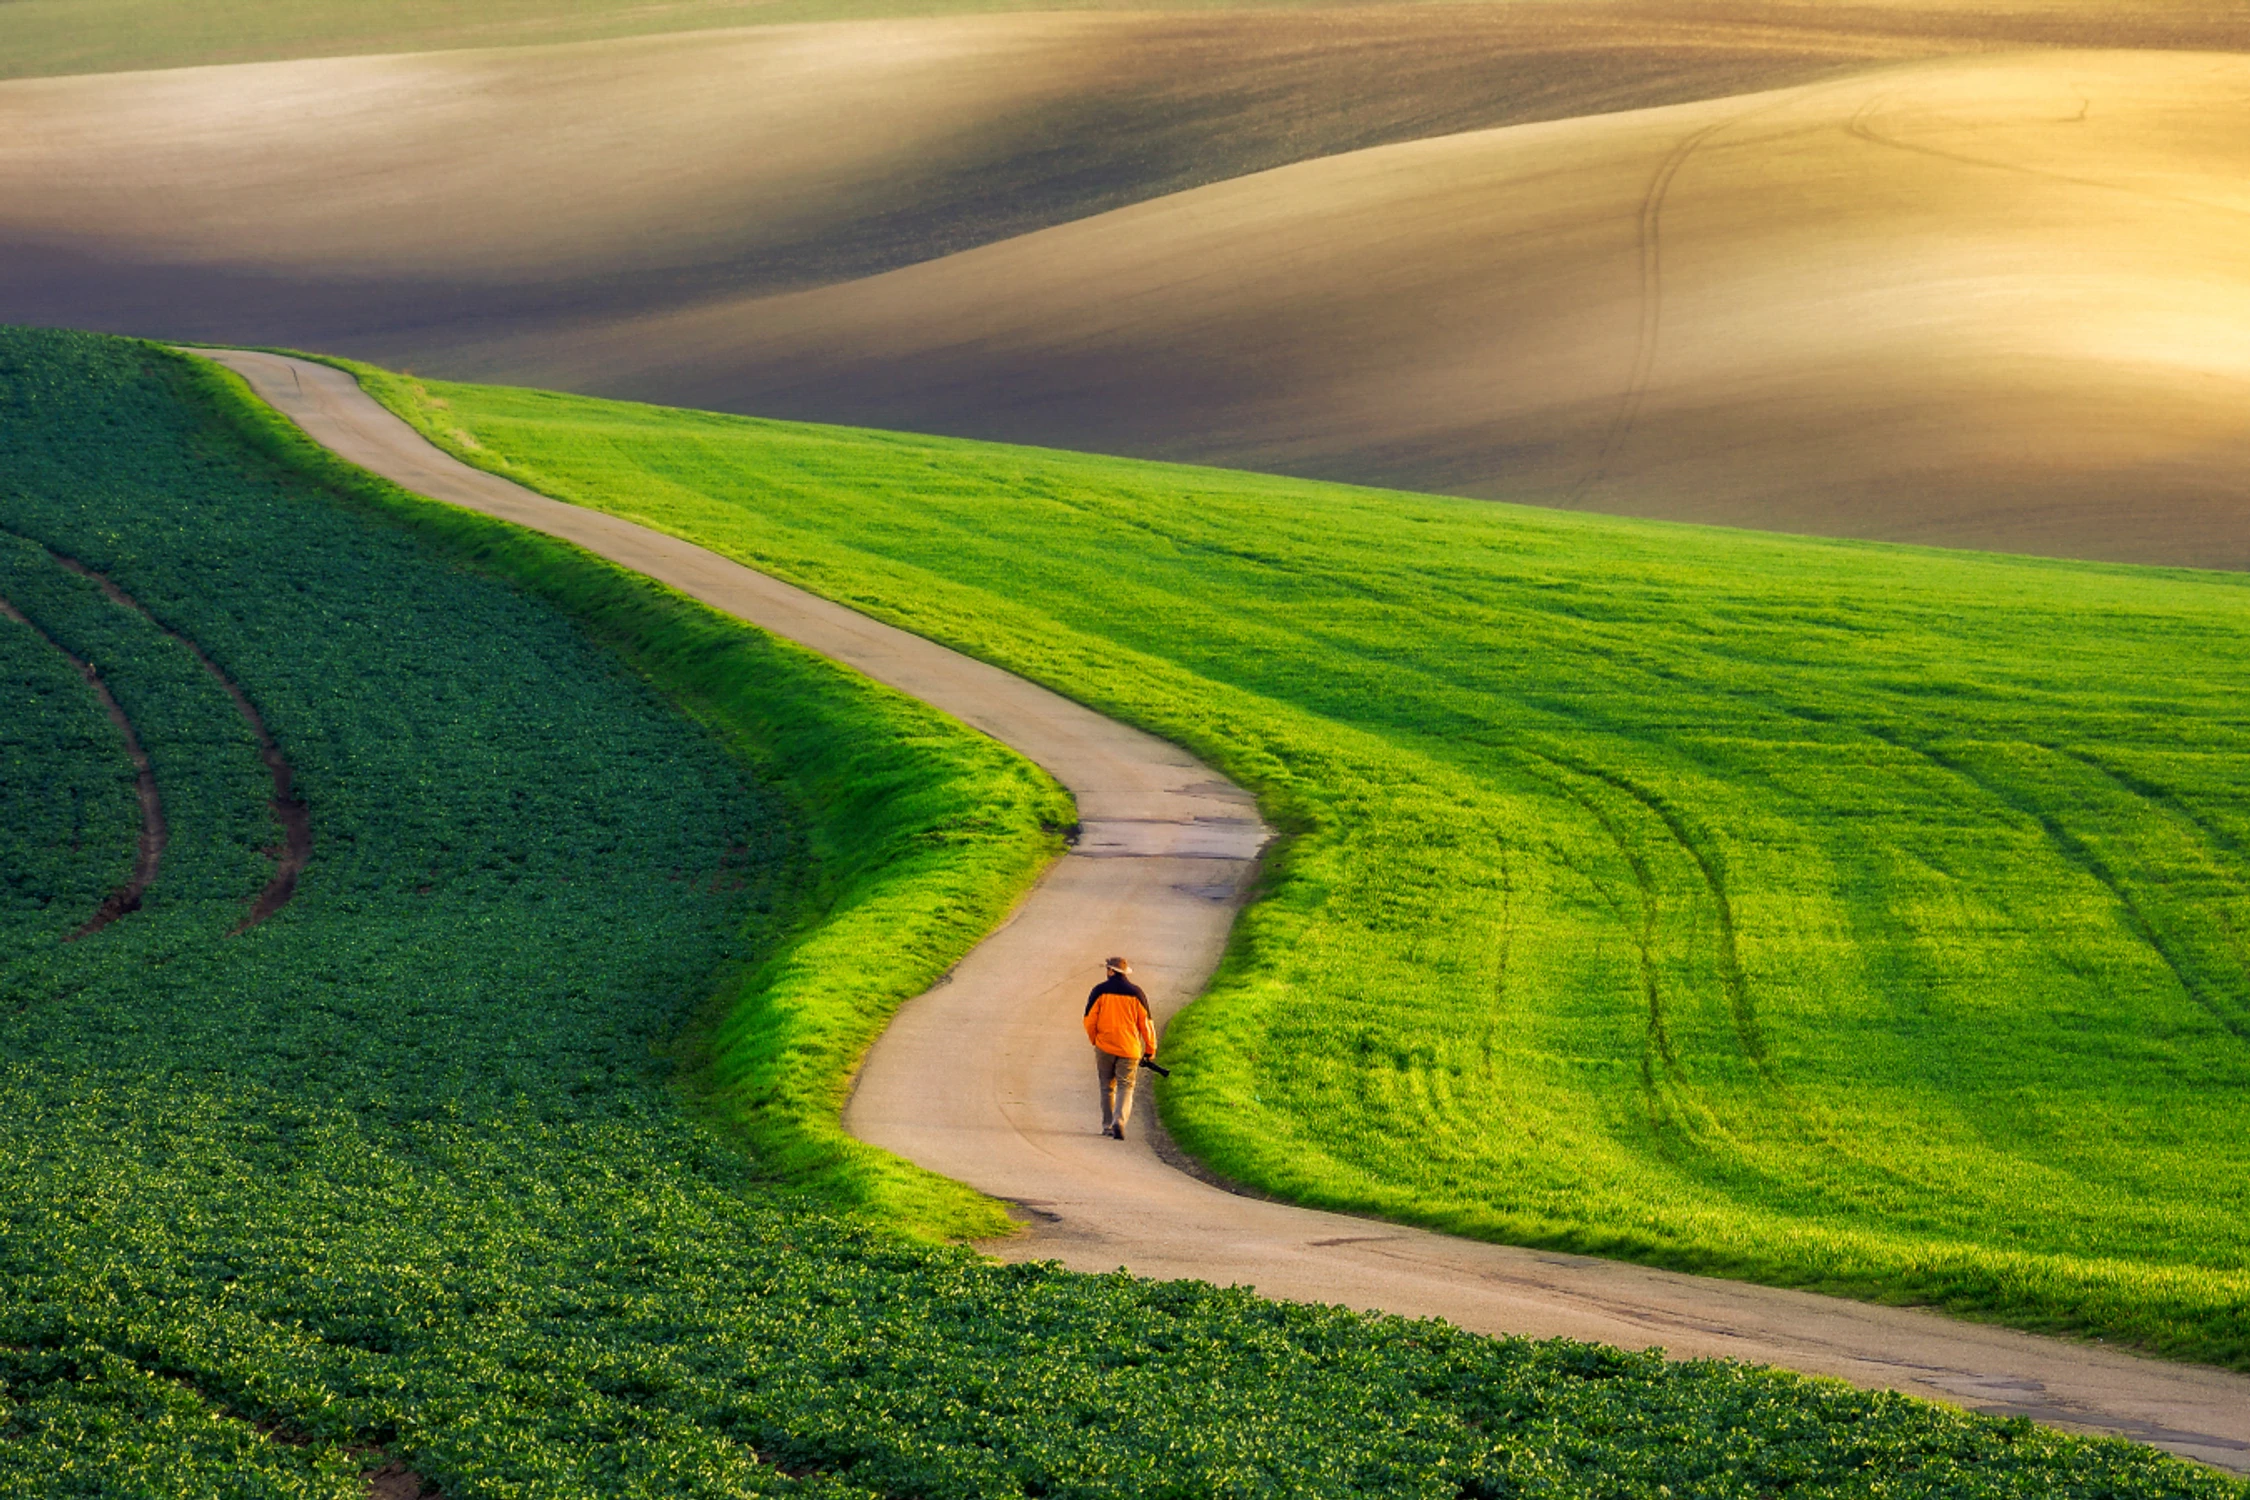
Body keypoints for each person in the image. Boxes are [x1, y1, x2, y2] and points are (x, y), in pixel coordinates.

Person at [1083, 956, 1158, 1139]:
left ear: (1110, 971)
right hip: (1129, 1048)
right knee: (1126, 1086)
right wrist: (1150, 1049)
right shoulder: (1136, 993)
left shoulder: (1099, 991)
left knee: (1107, 1086)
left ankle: (1108, 1125)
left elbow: (1089, 1020)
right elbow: (1146, 1024)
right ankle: (1120, 1121)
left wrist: (1095, 1039)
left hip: (1105, 1046)